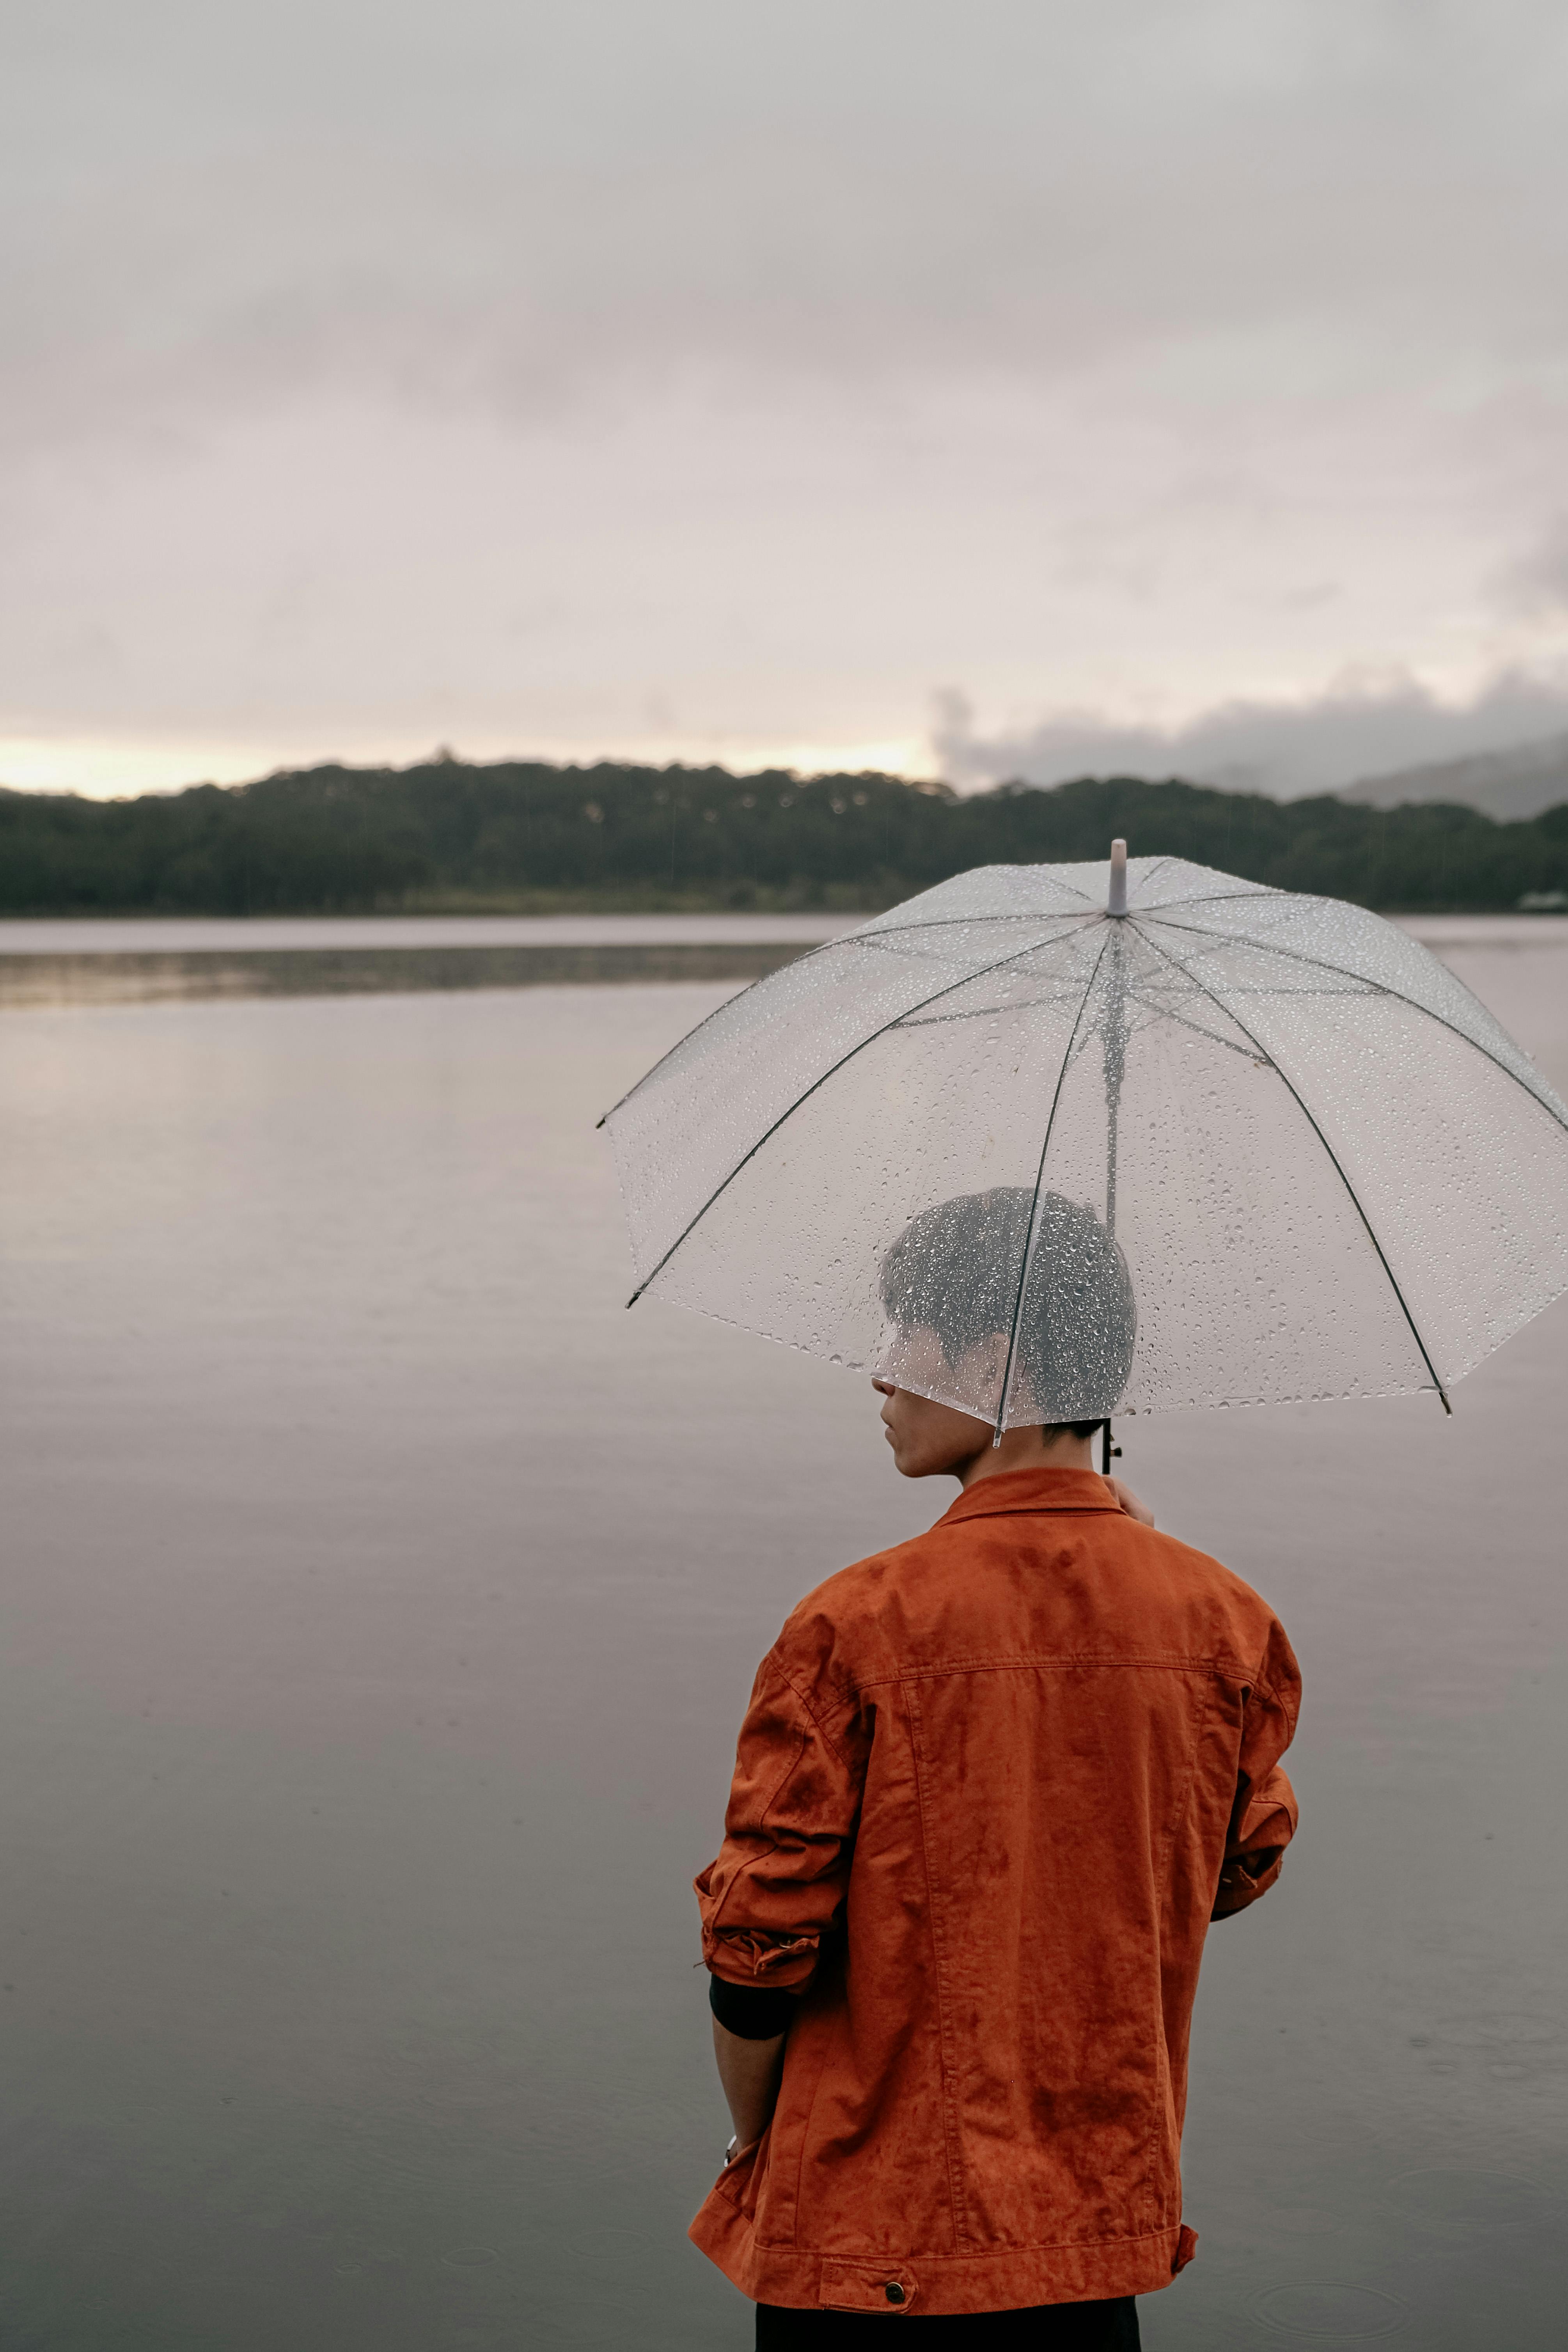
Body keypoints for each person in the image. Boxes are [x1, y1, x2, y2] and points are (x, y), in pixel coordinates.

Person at [690, 1187, 1300, 2343]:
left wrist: (753, 2140)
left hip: (868, 2248)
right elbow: (1230, 1870)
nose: (878, 1377)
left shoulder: (853, 1624)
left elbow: (757, 1951)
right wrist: (1142, 1566)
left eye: (902, 1338)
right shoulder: (1224, 1621)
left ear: (998, 1364)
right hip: (1086, 2244)